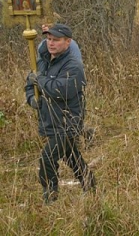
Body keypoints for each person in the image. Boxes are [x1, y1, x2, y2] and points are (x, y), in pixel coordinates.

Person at [25, 24, 95, 204]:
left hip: (67, 120)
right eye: (49, 39)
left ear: (68, 42)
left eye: (56, 40)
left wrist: (40, 81)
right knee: (71, 155)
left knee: (48, 157)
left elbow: (62, 90)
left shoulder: (73, 65)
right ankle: (90, 184)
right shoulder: (42, 61)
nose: (51, 43)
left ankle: (51, 196)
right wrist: (32, 98)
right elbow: (29, 85)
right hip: (49, 119)